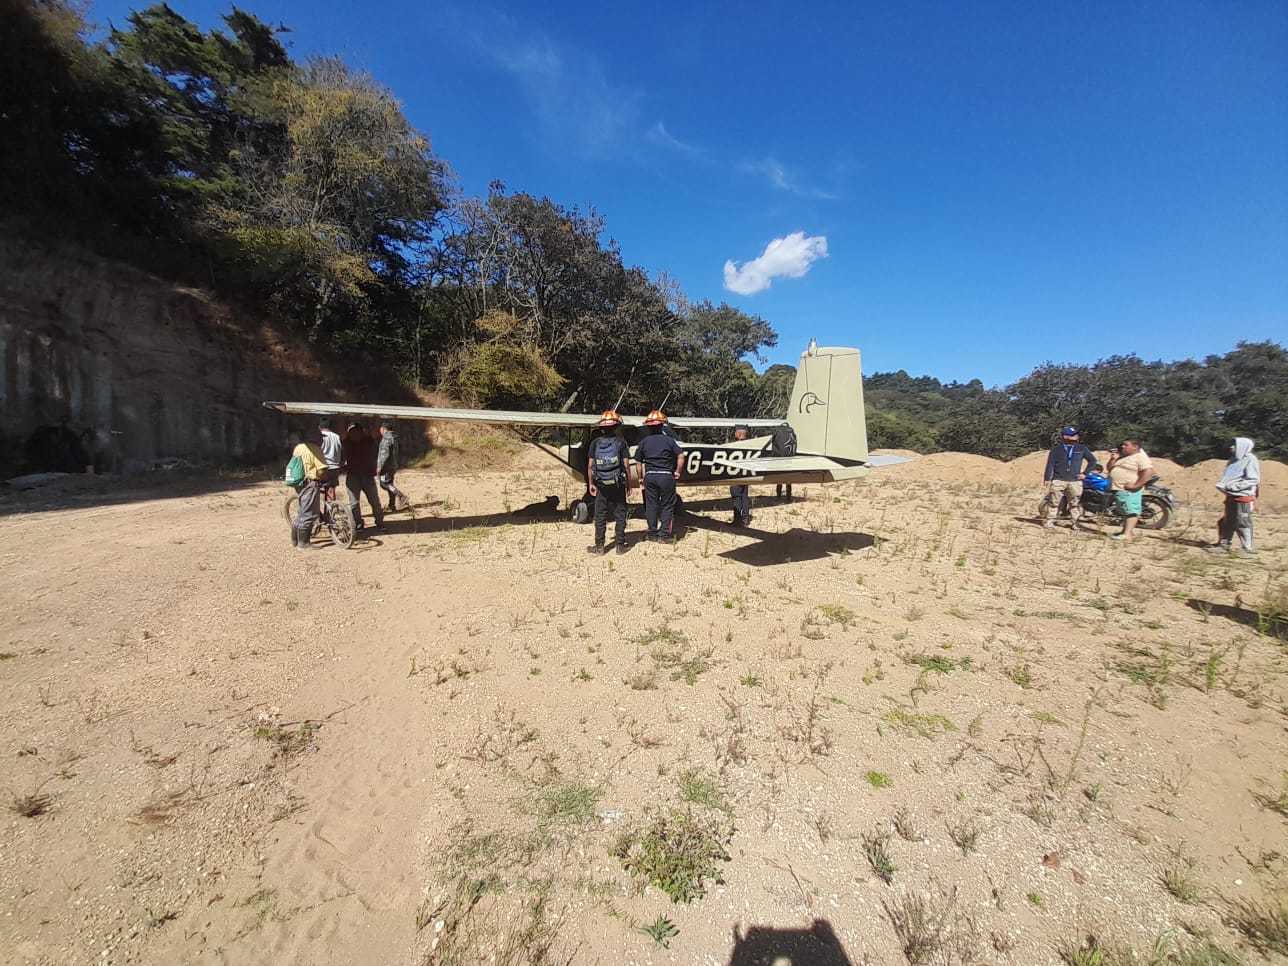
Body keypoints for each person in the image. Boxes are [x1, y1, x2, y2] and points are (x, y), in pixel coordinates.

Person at [586, 410, 633, 554]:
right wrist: (629, 484)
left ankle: (599, 546)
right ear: (616, 427)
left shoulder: (595, 443)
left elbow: (590, 466)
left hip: (601, 484)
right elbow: (626, 465)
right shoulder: (621, 443)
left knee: (600, 515)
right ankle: (620, 545)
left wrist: (591, 483)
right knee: (620, 513)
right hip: (618, 484)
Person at [634, 410, 683, 542]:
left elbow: (638, 462)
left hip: (650, 476)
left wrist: (640, 477)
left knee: (651, 505)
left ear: (648, 427)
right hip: (666, 476)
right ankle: (664, 535)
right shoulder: (669, 440)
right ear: (662, 426)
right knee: (667, 505)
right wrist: (678, 471)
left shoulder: (643, 442)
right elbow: (681, 455)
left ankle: (652, 533)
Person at [1209, 437, 1260, 556]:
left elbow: (1253, 479)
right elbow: (1229, 476)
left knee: (1243, 522)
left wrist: (1236, 486)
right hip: (1231, 496)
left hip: (1243, 497)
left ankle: (1247, 549)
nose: (1231, 447)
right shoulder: (1233, 460)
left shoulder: (1250, 459)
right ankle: (1224, 545)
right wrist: (1223, 486)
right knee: (1227, 522)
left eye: (1234, 445)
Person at [1041, 427, 1096, 530]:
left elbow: (1092, 461)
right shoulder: (1056, 449)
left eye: (1076, 434)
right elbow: (1050, 464)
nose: (1076, 436)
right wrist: (1047, 478)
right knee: (1054, 501)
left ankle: (1075, 523)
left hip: (1075, 480)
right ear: (1065, 436)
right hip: (1059, 479)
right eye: (1073, 434)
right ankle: (1050, 520)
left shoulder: (1081, 448)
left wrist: (1085, 473)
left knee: (1074, 503)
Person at [1105, 438, 1153, 541]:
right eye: (1122, 445)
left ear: (1135, 447)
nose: (1122, 446)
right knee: (1124, 510)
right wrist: (1113, 459)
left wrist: (1136, 485)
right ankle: (1124, 531)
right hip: (1119, 489)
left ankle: (1127, 534)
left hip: (1129, 490)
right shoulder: (1123, 457)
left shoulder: (1140, 457)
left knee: (1130, 511)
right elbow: (1109, 468)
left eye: (1126, 445)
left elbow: (1148, 472)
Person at [290, 427, 328, 549]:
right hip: (310, 483)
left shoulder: (299, 447)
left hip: (299, 482)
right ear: (317, 439)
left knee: (302, 511)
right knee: (309, 513)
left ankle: (295, 540)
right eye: (322, 438)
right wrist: (325, 479)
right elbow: (321, 471)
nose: (322, 441)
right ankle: (304, 543)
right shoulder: (315, 450)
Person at [342, 422, 383, 533]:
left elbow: (375, 431)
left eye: (356, 431)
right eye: (351, 432)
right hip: (353, 477)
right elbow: (342, 431)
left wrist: (376, 417)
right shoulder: (347, 442)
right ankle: (358, 524)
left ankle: (380, 522)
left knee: (374, 501)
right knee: (354, 502)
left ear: (361, 432)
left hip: (368, 476)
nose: (354, 434)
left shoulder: (367, 440)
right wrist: (341, 416)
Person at [377, 420, 409, 512]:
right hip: (393, 464)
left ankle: (401, 496)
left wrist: (380, 466)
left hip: (386, 466)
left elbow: (385, 454)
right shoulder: (394, 438)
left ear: (383, 429)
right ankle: (392, 505)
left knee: (384, 484)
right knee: (390, 484)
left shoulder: (386, 439)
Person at [729, 424, 752, 526]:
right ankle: (745, 519)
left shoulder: (734, 446)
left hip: (736, 475)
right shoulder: (750, 445)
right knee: (744, 497)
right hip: (746, 474)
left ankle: (737, 519)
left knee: (736, 497)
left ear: (739, 434)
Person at [318, 417, 343, 497]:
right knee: (331, 490)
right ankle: (332, 508)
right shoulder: (337, 437)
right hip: (335, 467)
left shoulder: (321, 437)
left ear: (319, 427)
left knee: (314, 486)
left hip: (324, 467)